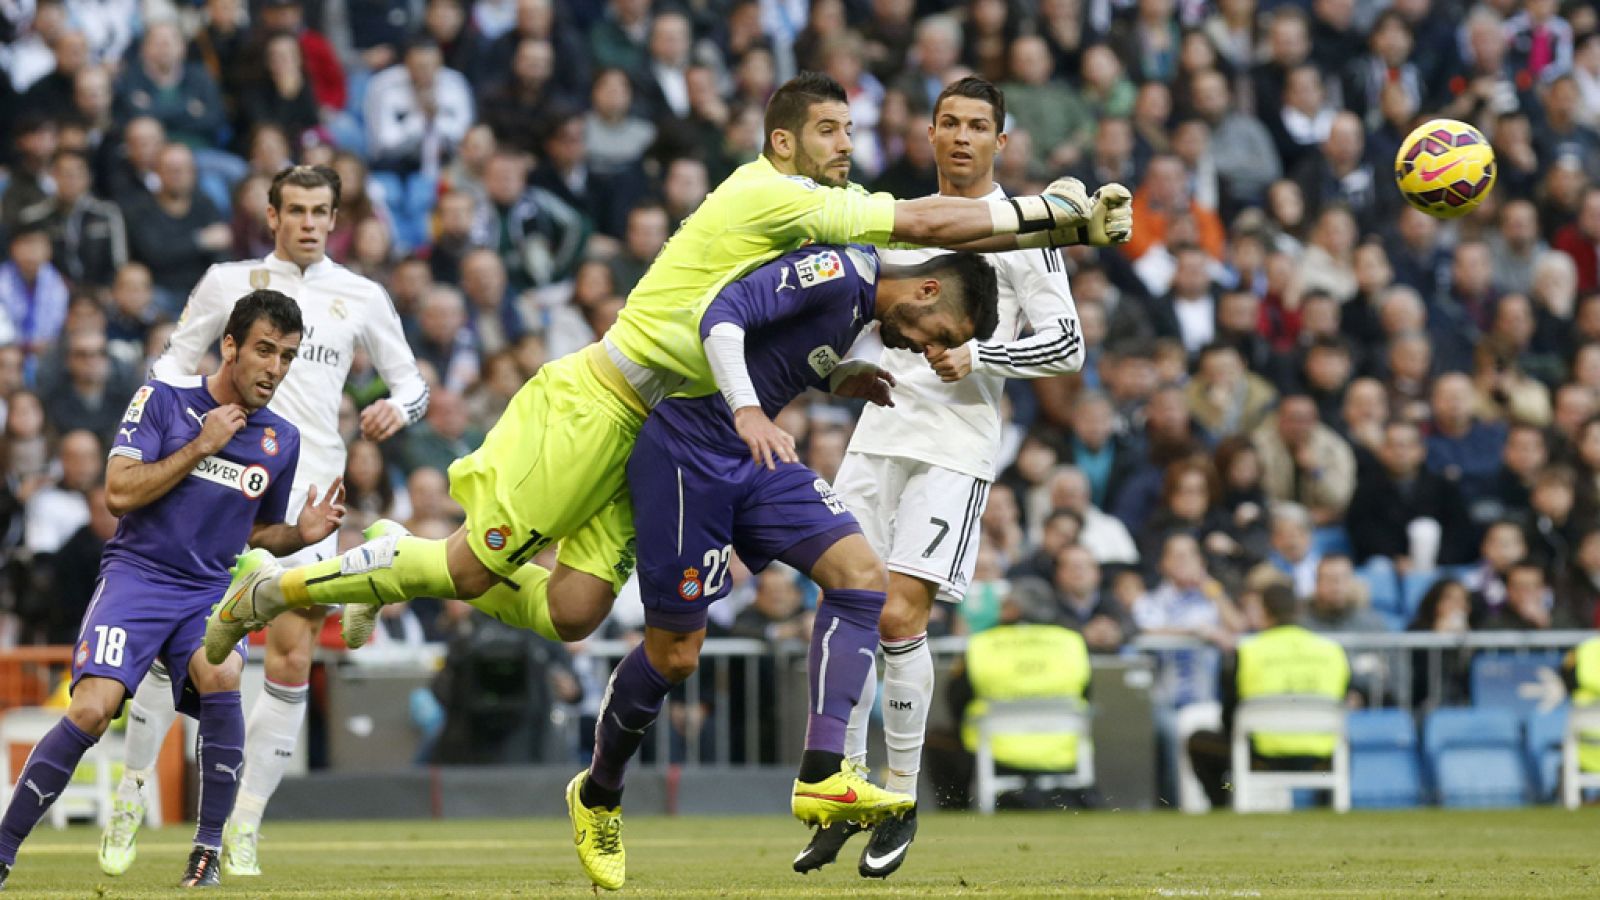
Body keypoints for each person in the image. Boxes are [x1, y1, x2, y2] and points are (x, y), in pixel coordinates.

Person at [204, 72, 1131, 690]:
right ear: (783, 140)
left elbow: (877, 270)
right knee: (470, 567)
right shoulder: (770, 193)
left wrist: (841, 371)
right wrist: (1060, 214)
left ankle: (390, 558)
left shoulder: (816, 212)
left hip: (661, 428)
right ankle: (286, 588)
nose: (846, 145)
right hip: (597, 402)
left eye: (852, 130)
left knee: (573, 612)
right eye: (829, 131)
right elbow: (927, 223)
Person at [559, 242, 999, 890]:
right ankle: (598, 793)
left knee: (862, 575)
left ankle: (823, 772)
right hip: (689, 454)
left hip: (756, 459)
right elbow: (723, 317)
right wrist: (746, 410)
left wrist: (835, 378)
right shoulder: (841, 270)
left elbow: (778, 352)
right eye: (941, 334)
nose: (928, 350)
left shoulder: (860, 310)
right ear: (928, 291)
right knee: (675, 655)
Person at [101, 165, 428, 879]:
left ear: (336, 218)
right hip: (221, 484)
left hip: (308, 495)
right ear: (271, 215)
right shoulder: (228, 283)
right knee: (176, 652)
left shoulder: (362, 295)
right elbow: (171, 365)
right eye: (296, 210)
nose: (309, 222)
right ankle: (130, 796)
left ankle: (242, 827)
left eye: (321, 211)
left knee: (290, 658)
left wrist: (396, 409)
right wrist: (168, 441)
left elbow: (414, 385)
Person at [813, 76, 1093, 878]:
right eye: (950, 123)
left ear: (1000, 142)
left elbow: (1068, 345)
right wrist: (836, 367)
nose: (962, 136)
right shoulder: (898, 221)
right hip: (876, 436)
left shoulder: (1024, 228)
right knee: (847, 608)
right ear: (929, 133)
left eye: (977, 125)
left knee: (900, 614)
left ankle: (901, 798)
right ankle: (845, 787)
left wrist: (982, 354)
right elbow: (854, 323)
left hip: (954, 445)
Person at [0, 290, 343, 891]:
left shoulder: (281, 440)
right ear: (230, 346)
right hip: (137, 577)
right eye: (264, 350)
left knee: (224, 675)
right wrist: (201, 445)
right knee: (92, 709)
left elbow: (255, 530)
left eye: (287, 356)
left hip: (207, 590)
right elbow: (119, 492)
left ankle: (207, 853)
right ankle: (3, 850)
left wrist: (299, 533)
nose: (275, 368)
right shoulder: (161, 400)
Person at [1185, 583, 1351, 809]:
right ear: (1300, 610)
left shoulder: (1247, 651)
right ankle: (1326, 808)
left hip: (1261, 757)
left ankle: (1221, 806)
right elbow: (1342, 701)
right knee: (1346, 744)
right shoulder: (1332, 650)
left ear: (1263, 612)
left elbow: (1229, 715)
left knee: (1198, 742)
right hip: (1319, 757)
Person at [948, 578, 1092, 809]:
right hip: (1062, 747)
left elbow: (956, 699)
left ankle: (958, 808)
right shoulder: (1071, 642)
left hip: (995, 749)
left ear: (1013, 609)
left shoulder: (982, 644)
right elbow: (1087, 693)